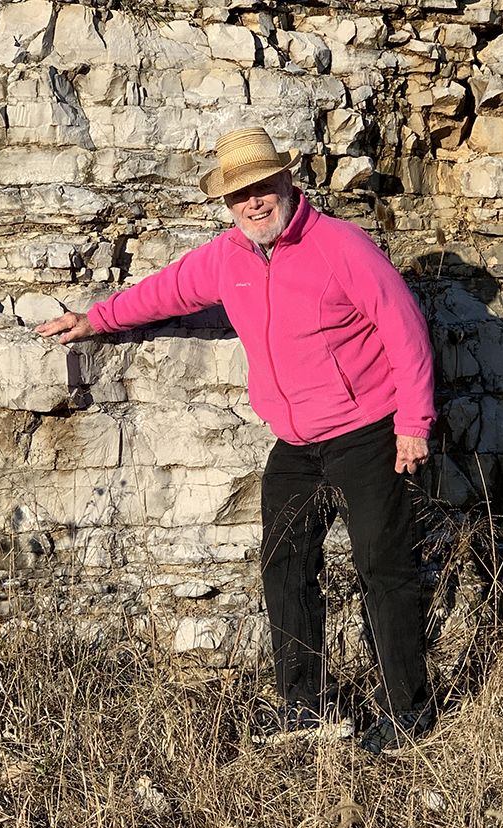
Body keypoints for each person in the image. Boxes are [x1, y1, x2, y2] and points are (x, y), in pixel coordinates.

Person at [36, 126, 436, 754]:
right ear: (227, 202)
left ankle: (407, 715)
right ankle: (306, 709)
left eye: (263, 188)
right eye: (239, 195)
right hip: (297, 445)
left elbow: (404, 327)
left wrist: (413, 425)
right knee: (284, 569)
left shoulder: (340, 245)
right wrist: (93, 319)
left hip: (367, 433)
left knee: (383, 570)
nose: (253, 203)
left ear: (287, 182)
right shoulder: (229, 257)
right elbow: (163, 291)